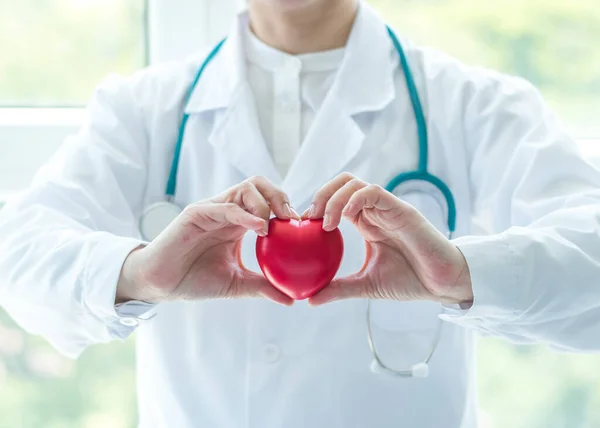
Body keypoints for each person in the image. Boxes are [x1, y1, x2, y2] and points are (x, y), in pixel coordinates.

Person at [1, 0, 600, 426]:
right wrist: (136, 273)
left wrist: (465, 273)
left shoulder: (477, 106)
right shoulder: (140, 111)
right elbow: (18, 255)